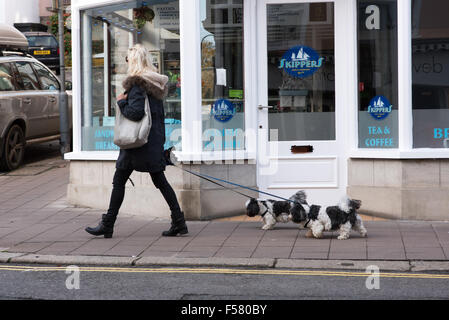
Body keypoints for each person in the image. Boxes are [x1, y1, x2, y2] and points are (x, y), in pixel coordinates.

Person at [85, 44, 188, 238]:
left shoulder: (137, 85)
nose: (126, 64)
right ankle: (179, 221)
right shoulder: (155, 84)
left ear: (133, 62)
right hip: (152, 142)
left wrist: (122, 101)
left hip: (137, 145)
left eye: (127, 60)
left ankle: (108, 224)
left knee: (119, 181)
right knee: (159, 181)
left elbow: (135, 112)